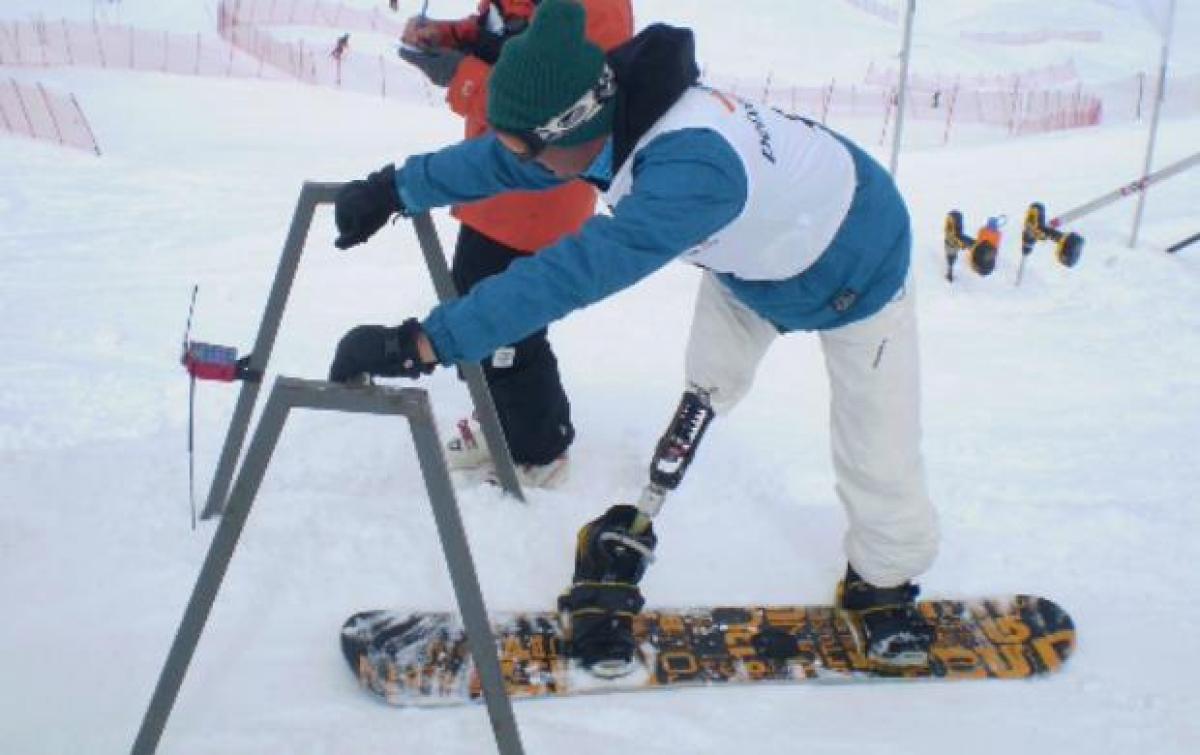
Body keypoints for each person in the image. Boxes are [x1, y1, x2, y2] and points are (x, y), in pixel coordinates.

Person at [329, 0, 940, 671]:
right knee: (707, 389)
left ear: (566, 131)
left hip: (859, 269)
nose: (518, 162)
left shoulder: (689, 172)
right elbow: (505, 162)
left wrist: (425, 342)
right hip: (752, 268)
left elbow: (571, 274)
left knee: (876, 443)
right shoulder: (603, 115)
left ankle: (883, 582)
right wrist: (397, 186)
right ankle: (639, 521)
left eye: (526, 146)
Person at [384, 0, 632, 488]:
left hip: (541, 187)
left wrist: (465, 77)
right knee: (470, 297)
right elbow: (502, 30)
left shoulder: (597, 8)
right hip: (493, 179)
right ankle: (499, 417)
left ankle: (540, 448)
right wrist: (451, 37)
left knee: (508, 320)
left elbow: (571, 111)